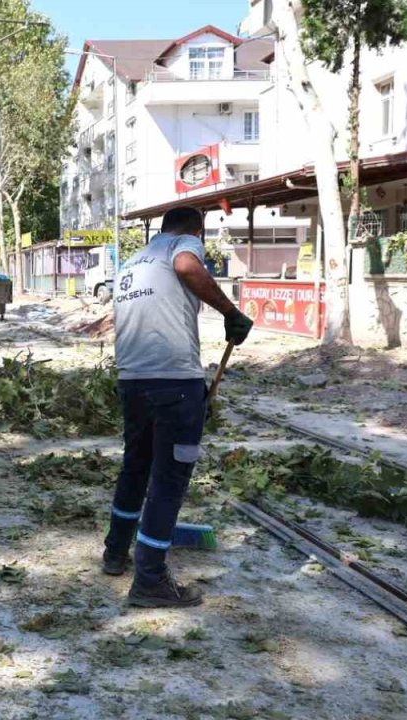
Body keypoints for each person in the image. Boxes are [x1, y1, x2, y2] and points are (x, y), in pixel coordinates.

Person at [102, 206, 253, 608]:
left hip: (133, 380)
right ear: (197, 231)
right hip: (173, 380)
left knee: (136, 467)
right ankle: (150, 580)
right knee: (169, 480)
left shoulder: (134, 261)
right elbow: (187, 265)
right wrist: (231, 312)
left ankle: (115, 553)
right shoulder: (183, 245)